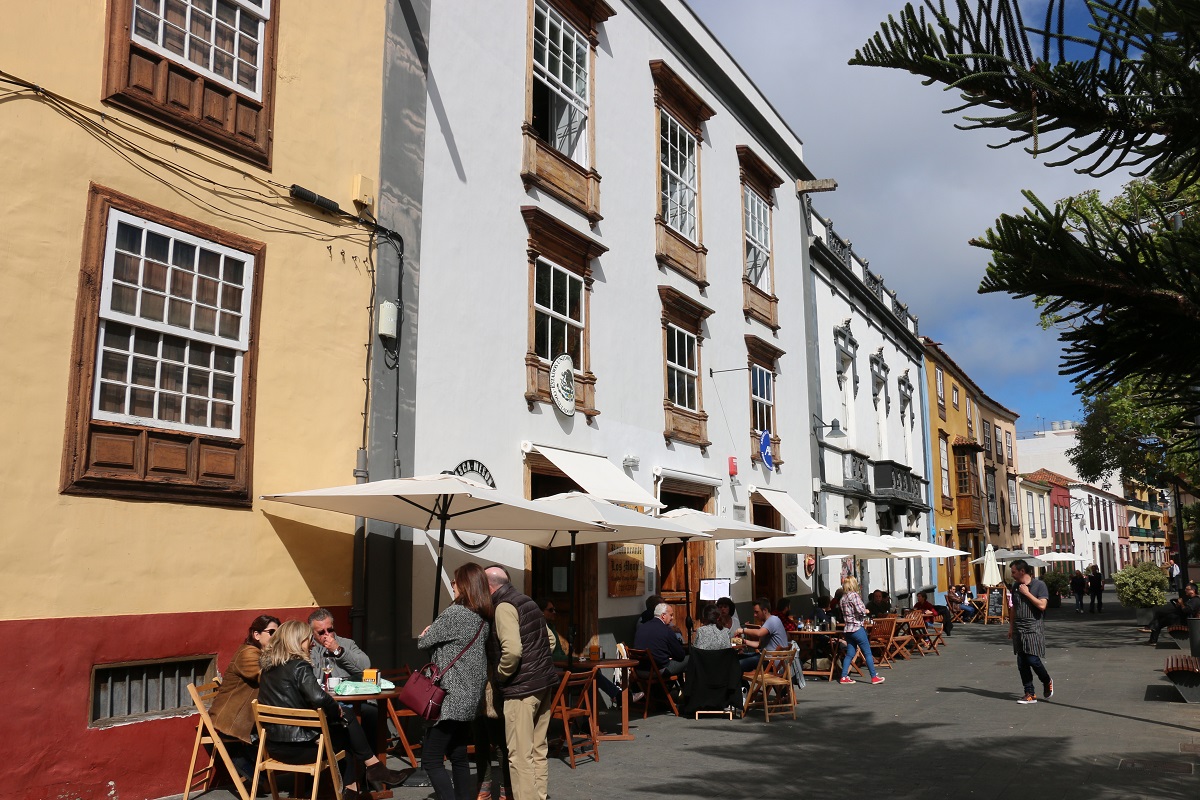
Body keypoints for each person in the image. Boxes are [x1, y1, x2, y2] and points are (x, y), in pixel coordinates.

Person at [257, 621, 408, 800]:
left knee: (345, 728)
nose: (312, 643)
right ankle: (371, 771)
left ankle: (358, 783)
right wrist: (336, 709)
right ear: (297, 641)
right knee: (346, 731)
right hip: (302, 748)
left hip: (274, 747)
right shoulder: (298, 666)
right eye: (308, 639)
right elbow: (319, 697)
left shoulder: (268, 669)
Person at [485, 566, 560, 800]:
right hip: (542, 684)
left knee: (519, 755)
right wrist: (536, 662)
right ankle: (539, 795)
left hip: (521, 690)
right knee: (538, 749)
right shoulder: (526, 601)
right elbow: (549, 639)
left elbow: (513, 651)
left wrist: (500, 675)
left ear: (489, 586)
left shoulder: (503, 607)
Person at [418, 563, 492, 800]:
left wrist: (428, 632)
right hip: (470, 697)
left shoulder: (455, 613)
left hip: (449, 698)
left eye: (455, 580)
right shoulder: (482, 618)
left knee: (430, 759)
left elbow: (423, 642)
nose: (452, 584)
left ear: (466, 584)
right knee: (458, 755)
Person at [208, 614, 279, 780]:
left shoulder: (261, 653)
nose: (277, 638)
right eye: (272, 633)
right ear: (256, 634)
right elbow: (266, 677)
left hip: (246, 717)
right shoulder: (248, 654)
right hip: (231, 719)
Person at [307, 608, 379, 753]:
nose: (327, 635)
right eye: (321, 632)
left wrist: (338, 651)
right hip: (323, 704)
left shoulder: (347, 644)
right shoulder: (309, 649)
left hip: (352, 700)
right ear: (312, 634)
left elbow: (365, 665)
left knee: (371, 713)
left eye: (330, 630)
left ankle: (370, 766)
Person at [1008, 559, 1053, 704]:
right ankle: (1029, 693)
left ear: (1022, 571)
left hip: (1033, 627)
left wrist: (1027, 593)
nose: (1012, 575)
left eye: (1013, 572)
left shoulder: (1039, 585)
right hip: (1019, 627)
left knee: (1032, 659)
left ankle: (1046, 680)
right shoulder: (1015, 586)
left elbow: (1042, 605)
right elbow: (1013, 608)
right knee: (1021, 662)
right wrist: (1011, 627)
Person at [837, 576, 884, 685]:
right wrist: (866, 610)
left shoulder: (843, 598)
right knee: (867, 652)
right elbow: (861, 610)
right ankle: (873, 676)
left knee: (850, 653)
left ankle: (844, 676)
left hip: (848, 629)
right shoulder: (854, 596)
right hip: (857, 627)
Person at [633, 602, 690, 677]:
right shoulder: (667, 631)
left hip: (639, 670)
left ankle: (672, 686)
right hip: (657, 671)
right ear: (663, 616)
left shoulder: (642, 628)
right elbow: (680, 656)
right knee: (691, 658)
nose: (672, 618)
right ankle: (689, 687)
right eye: (671, 615)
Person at [734, 597, 789, 672]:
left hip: (772, 661)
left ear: (765, 610)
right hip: (767, 657)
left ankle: (742, 684)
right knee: (737, 658)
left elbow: (759, 633)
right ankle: (743, 684)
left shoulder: (773, 620)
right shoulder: (766, 623)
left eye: (757, 612)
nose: (755, 615)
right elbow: (759, 645)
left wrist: (743, 630)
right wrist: (743, 641)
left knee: (738, 665)